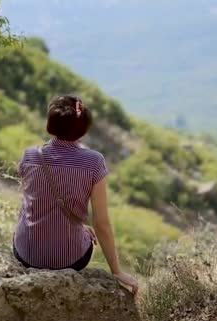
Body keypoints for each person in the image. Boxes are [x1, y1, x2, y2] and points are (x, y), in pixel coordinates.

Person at [13, 94, 139, 294]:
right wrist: (117, 272)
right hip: (70, 260)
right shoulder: (94, 162)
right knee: (86, 236)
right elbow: (101, 224)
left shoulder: (30, 155)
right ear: (84, 129)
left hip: (27, 255)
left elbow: (32, 203)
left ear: (50, 123)